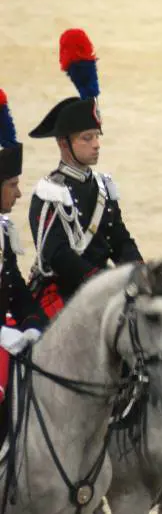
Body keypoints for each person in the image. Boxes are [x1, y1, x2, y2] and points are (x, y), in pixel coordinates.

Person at [28, 28, 142, 318]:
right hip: (63, 293)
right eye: (87, 138)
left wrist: (142, 273)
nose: (96, 145)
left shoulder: (103, 187)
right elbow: (56, 255)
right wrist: (100, 280)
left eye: (97, 136)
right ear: (63, 142)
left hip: (102, 290)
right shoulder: (49, 192)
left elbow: (119, 240)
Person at [0, 89, 47, 404]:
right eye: (12, 185)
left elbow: (14, 285)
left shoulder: (2, 232)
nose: (18, 195)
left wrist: (34, 324)